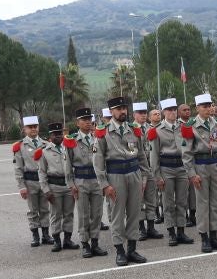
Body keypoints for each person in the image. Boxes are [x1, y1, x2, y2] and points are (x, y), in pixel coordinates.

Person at [93, 96, 150, 266]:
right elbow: (98, 162)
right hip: (115, 176)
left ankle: (132, 249)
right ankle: (120, 251)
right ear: (111, 112)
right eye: (119, 109)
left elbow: (141, 156)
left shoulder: (134, 130)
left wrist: (144, 177)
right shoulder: (103, 132)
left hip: (134, 174)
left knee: (134, 213)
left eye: (125, 108)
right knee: (117, 215)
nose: (123, 111)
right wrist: (104, 185)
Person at [181, 93, 217, 253]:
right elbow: (186, 153)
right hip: (200, 167)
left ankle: (214, 236)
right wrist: (191, 174)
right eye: (205, 106)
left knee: (215, 202)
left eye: (210, 106)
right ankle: (204, 238)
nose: (209, 109)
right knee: (202, 204)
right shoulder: (191, 126)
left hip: (216, 165)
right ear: (198, 108)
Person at [149, 98, 194, 246]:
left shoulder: (184, 127)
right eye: (169, 110)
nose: (173, 112)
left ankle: (181, 231)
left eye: (174, 110)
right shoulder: (156, 130)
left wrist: (190, 170)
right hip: (166, 168)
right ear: (163, 112)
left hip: (182, 167)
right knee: (167, 202)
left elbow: (189, 149)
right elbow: (154, 155)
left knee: (182, 201)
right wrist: (157, 176)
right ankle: (171, 233)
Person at [64, 108, 108, 258]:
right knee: (83, 214)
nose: (88, 122)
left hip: (97, 180)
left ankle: (95, 242)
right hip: (81, 181)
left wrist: (105, 181)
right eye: (84, 119)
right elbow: (67, 165)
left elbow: (104, 160)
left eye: (89, 119)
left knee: (97, 213)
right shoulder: (71, 140)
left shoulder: (99, 137)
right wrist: (71, 184)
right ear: (77, 123)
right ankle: (85, 244)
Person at [37, 122, 78, 252]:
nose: (58, 136)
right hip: (54, 186)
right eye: (55, 134)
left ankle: (67, 239)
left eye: (60, 133)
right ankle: (56, 240)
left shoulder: (69, 147)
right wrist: (46, 190)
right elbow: (42, 172)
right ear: (50, 136)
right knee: (55, 214)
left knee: (69, 214)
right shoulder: (44, 151)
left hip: (68, 186)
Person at [13, 115, 53, 247]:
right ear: (25, 129)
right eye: (30, 127)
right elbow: (18, 168)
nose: (33, 129)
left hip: (44, 182)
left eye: (35, 126)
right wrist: (21, 186)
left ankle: (46, 234)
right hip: (30, 182)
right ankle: (35, 235)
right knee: (32, 210)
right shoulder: (20, 146)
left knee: (45, 209)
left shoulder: (46, 144)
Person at [132, 102, 163, 240]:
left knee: (151, 199)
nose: (143, 115)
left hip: (151, 168)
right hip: (137, 169)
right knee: (138, 201)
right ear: (134, 115)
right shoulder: (131, 129)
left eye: (145, 113)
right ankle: (141, 228)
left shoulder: (151, 128)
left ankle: (151, 227)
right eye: (140, 113)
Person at [178, 103, 197, 227]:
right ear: (179, 112)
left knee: (193, 191)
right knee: (183, 192)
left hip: (193, 161)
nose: (187, 112)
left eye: (189, 110)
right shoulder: (177, 125)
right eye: (184, 110)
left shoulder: (194, 123)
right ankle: (183, 215)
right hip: (180, 162)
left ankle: (193, 215)